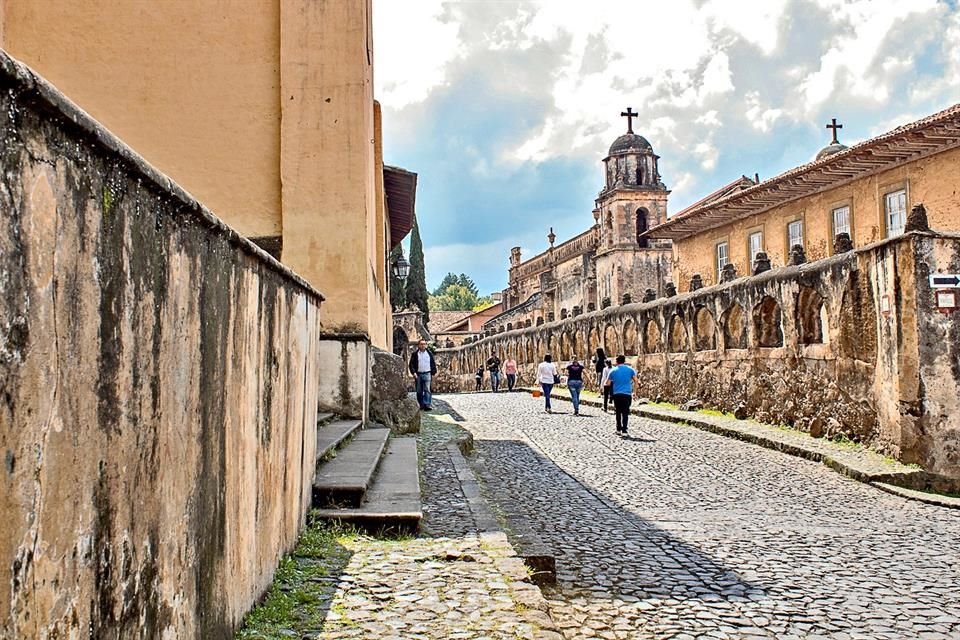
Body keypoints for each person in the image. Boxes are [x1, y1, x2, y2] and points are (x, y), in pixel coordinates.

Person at [607, 354, 637, 435]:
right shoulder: (630, 370)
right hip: (627, 393)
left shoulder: (612, 371)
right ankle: (624, 429)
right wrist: (634, 392)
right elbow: (636, 381)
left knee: (618, 412)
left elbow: (608, 383)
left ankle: (618, 429)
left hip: (617, 394)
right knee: (625, 412)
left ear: (617, 361)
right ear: (624, 361)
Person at [407, 339, 436, 411]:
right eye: (421, 344)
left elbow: (432, 363)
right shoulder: (415, 354)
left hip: (427, 373)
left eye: (424, 344)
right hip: (418, 374)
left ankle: (427, 404)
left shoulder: (429, 354)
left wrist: (433, 372)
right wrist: (413, 373)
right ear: (418, 345)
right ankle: (421, 404)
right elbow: (411, 365)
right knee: (419, 391)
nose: (423, 345)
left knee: (427, 389)